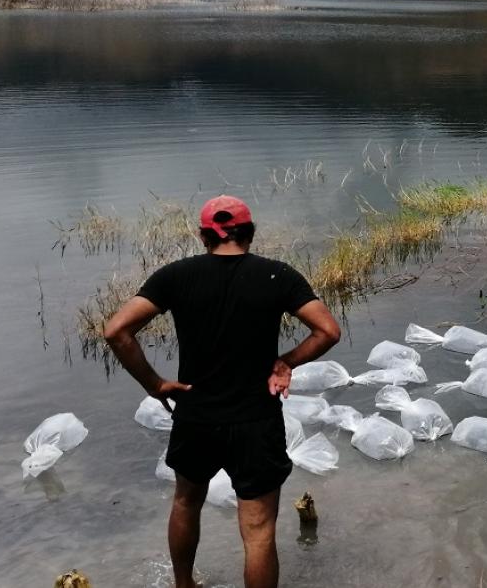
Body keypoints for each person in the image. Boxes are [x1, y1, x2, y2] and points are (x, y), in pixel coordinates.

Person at [103, 195, 340, 588]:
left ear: (202, 236)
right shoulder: (278, 275)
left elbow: (116, 332)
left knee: (185, 503)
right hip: (255, 419)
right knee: (259, 531)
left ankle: (184, 585)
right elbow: (328, 331)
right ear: (250, 233)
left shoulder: (175, 276)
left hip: (196, 415)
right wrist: (287, 362)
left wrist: (155, 384)